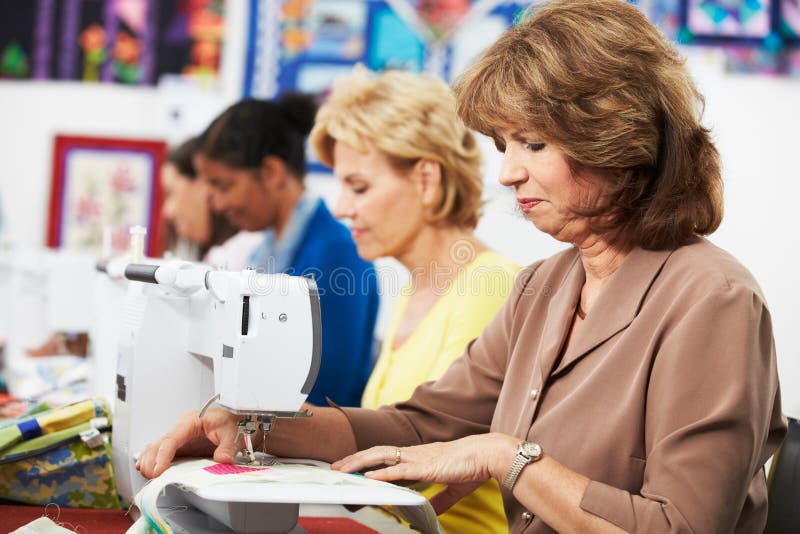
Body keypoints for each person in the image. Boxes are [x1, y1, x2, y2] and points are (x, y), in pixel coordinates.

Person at [137, 1, 787, 533]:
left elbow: (684, 526)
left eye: (533, 144)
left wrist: (509, 458)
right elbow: (425, 425)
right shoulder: (546, 287)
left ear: (616, 136)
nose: (507, 171)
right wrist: (258, 426)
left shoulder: (712, 299)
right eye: (505, 146)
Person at [310, 67, 519, 532]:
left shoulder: (491, 288)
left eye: (358, 186)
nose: (342, 207)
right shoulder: (410, 291)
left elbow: (433, 446)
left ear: (426, 180)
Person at [193, 93, 380, 407]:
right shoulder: (268, 250)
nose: (218, 204)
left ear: (271, 173)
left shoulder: (337, 255)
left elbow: (326, 390)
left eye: (224, 186)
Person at [161, 136, 261, 269]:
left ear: (204, 183)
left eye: (172, 193)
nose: (168, 211)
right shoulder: (215, 258)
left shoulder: (249, 253)